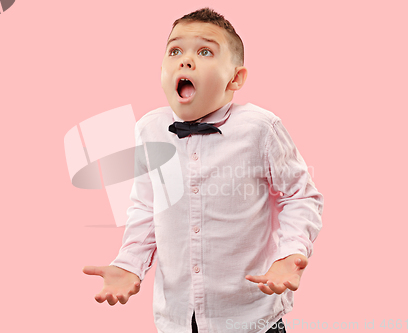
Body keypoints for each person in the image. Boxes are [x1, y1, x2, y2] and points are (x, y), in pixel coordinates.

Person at [83, 7, 323, 333]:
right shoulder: (148, 130)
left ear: (235, 78)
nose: (185, 60)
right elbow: (145, 206)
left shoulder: (260, 128)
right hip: (177, 319)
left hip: (250, 318)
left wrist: (289, 255)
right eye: (175, 50)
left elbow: (300, 195)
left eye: (205, 51)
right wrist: (129, 264)